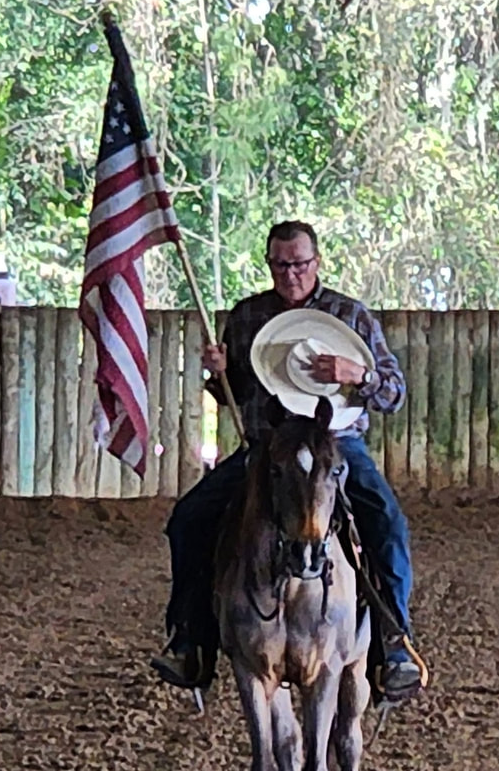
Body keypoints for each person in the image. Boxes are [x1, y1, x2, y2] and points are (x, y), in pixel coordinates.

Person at [151, 220, 422, 699]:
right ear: (269, 263)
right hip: (266, 448)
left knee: (388, 524)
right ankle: (191, 640)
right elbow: (234, 391)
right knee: (189, 520)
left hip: (335, 445)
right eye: (280, 264)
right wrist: (218, 374)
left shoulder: (350, 316)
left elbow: (394, 392)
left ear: (317, 263)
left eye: (299, 263)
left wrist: (357, 374)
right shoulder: (248, 315)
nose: (290, 273)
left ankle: (393, 645)